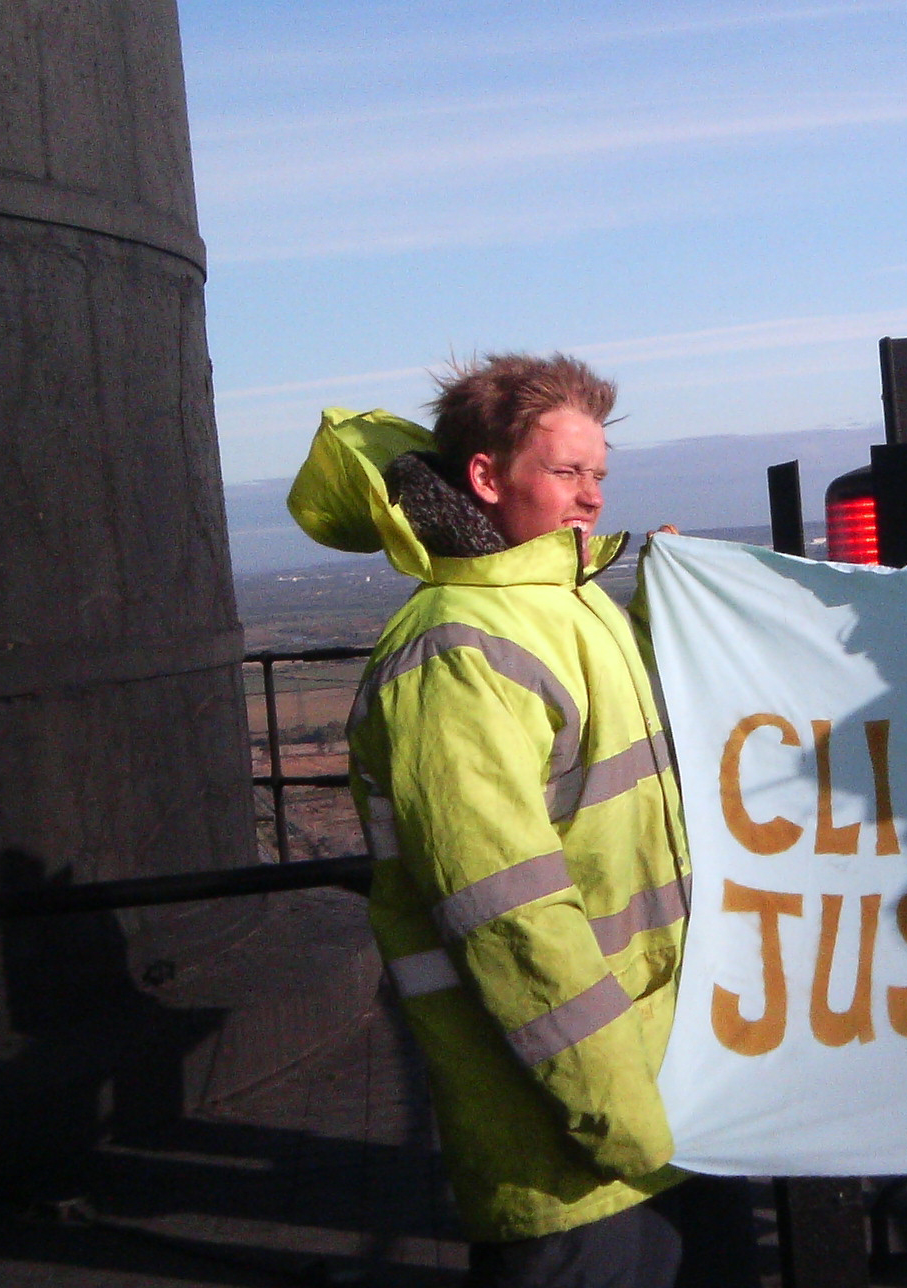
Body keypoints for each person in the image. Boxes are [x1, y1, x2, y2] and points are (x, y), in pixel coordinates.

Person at [286, 353, 757, 1288]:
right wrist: (616, 1114)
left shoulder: (572, 606)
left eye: (598, 475)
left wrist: (670, 619)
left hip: (674, 1095)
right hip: (568, 1142)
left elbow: (625, 800)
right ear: (487, 477)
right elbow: (509, 914)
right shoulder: (455, 650)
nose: (589, 497)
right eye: (564, 472)